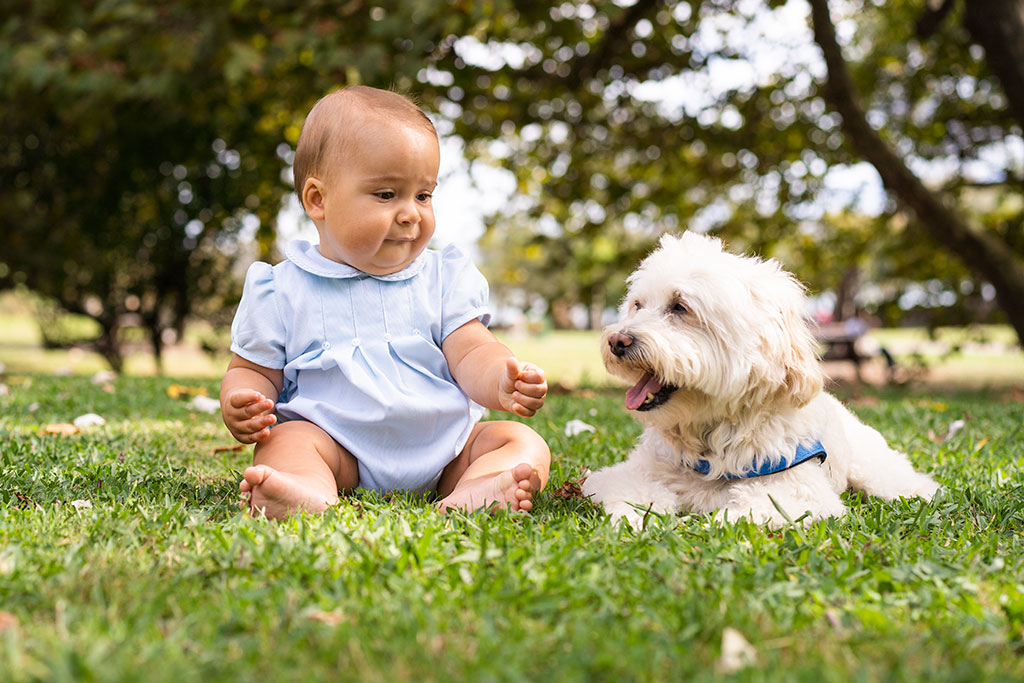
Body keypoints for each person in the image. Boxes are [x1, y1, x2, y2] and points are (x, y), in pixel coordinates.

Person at [219, 86, 550, 520]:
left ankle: (475, 491)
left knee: (520, 442)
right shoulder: (281, 289)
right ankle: (307, 492)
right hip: (338, 449)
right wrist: (242, 400)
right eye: (387, 195)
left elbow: (473, 350)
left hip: (446, 449)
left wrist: (503, 380)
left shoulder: (443, 277)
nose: (411, 213)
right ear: (318, 200)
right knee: (286, 442)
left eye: (423, 195)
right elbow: (251, 370)